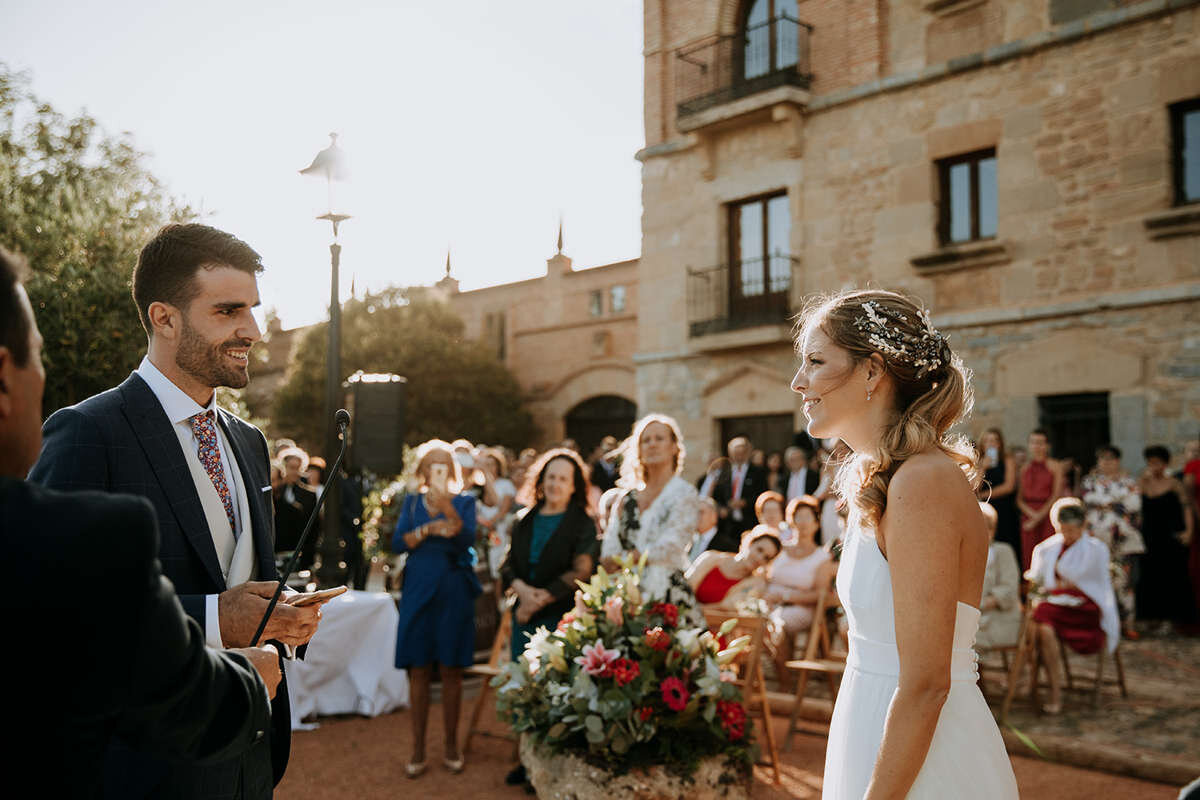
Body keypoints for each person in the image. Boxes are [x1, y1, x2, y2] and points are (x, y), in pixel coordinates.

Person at [29, 224, 325, 799]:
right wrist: (217, 620)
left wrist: (278, 615)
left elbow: (237, 578)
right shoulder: (89, 433)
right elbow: (52, 619)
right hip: (144, 770)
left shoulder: (248, 441)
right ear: (164, 318)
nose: (253, 330)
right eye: (228, 311)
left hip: (251, 757)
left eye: (254, 310)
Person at [793, 289, 1017, 799]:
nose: (797, 381)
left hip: (926, 760)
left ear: (872, 372)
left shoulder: (923, 482)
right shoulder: (885, 478)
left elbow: (927, 683)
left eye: (815, 361)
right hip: (872, 724)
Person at [498, 448, 598, 787]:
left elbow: (581, 570)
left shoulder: (581, 523)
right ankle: (526, 762)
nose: (555, 484)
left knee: (554, 691)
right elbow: (507, 565)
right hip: (523, 615)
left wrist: (541, 598)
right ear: (541, 481)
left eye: (563, 479)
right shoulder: (523, 519)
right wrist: (524, 593)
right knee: (524, 688)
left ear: (574, 486)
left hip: (561, 616)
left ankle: (550, 767)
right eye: (550, 476)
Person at [391, 440, 480, 778]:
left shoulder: (465, 501)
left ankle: (452, 745)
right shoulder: (412, 503)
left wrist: (448, 510)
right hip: (418, 588)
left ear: (452, 470)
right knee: (418, 668)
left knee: (451, 668)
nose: (438, 469)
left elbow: (466, 538)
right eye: (433, 464)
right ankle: (417, 748)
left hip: (453, 590)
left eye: (444, 464)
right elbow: (399, 542)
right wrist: (429, 528)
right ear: (423, 469)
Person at [1027, 498, 1120, 714]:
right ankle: (1054, 691)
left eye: (1071, 530)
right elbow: (1041, 582)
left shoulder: (1096, 549)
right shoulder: (1048, 548)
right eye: (1063, 530)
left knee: (1038, 614)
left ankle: (1029, 675)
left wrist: (1067, 585)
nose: (1067, 535)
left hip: (1084, 609)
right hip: (1055, 607)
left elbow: (1096, 585)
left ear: (1082, 526)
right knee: (1043, 627)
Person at [600, 414, 700, 609]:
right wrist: (624, 560)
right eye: (646, 440)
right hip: (623, 597)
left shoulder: (684, 493)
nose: (652, 444)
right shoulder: (625, 498)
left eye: (659, 438)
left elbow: (671, 547)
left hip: (667, 598)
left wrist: (627, 558)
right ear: (638, 450)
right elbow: (608, 551)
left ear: (674, 447)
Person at [765, 495, 836, 683]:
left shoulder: (821, 558)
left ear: (816, 523)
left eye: (807, 517)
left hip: (803, 609)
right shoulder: (779, 550)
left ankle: (784, 681)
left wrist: (787, 595)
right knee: (755, 618)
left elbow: (820, 594)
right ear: (791, 520)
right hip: (770, 603)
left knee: (778, 623)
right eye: (798, 516)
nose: (803, 522)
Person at [1081, 445, 1144, 639]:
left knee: (1124, 583)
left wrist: (1103, 501)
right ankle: (1100, 625)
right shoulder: (1090, 481)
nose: (1106, 463)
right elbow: (1087, 498)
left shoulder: (1128, 482)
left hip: (1123, 542)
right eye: (1102, 459)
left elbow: (1134, 504)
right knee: (1096, 580)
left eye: (1110, 459)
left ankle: (1127, 624)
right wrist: (1116, 500)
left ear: (1117, 461)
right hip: (1097, 541)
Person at [1138, 445, 1196, 631]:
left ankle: (1174, 619)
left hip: (1170, 536)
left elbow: (1186, 507)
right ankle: (1153, 617)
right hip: (1149, 536)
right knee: (1150, 577)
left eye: (1158, 463)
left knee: (1173, 576)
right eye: (1151, 463)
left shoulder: (1174, 483)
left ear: (1165, 464)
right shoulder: (1143, 483)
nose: (1154, 467)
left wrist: (1188, 531)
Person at [686, 527, 783, 609]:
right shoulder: (710, 557)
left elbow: (724, 610)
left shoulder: (756, 585)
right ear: (750, 543)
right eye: (759, 550)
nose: (759, 558)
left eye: (766, 558)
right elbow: (685, 588)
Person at [975, 504, 1022, 650]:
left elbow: (1008, 590)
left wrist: (976, 606)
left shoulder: (1003, 551)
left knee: (956, 639)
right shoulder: (965, 553)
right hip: (973, 618)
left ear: (992, 530)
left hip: (998, 619)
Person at [1017, 429, 1064, 570]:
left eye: (1040, 443)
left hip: (1048, 514)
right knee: (1028, 555)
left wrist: (1037, 518)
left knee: (1050, 552)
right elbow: (1019, 499)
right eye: (1033, 443)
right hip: (1028, 515)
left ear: (1047, 446)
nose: (1036, 446)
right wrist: (1032, 516)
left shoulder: (1055, 466)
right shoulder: (1023, 468)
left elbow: (1056, 495)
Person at [712, 436, 769, 542]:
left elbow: (763, 495)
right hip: (729, 524)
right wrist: (721, 508)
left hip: (750, 521)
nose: (738, 456)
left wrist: (745, 502)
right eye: (735, 453)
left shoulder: (758, 472)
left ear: (748, 453)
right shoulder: (724, 473)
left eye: (741, 453)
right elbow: (716, 496)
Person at [976, 428, 1020, 559]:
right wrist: (983, 467)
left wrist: (983, 496)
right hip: (985, 510)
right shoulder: (978, 462)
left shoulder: (1007, 460)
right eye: (987, 441)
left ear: (1000, 443)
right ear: (982, 444)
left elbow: (1009, 486)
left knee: (1008, 543)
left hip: (1004, 507)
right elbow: (974, 488)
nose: (991, 444)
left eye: (994, 440)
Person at [273, 446, 318, 573]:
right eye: (291, 467)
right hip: (277, 550)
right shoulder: (275, 492)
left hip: (298, 551)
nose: (294, 472)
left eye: (297, 468)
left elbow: (313, 528)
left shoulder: (309, 494)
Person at [476, 447, 517, 577]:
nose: (488, 467)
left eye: (491, 464)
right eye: (486, 464)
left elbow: (503, 509)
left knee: (497, 563)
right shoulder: (478, 485)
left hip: (498, 528)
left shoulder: (506, 484)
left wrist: (490, 523)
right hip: (481, 529)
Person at [689, 496, 738, 562]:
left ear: (713, 517)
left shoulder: (727, 547)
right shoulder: (690, 541)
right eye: (694, 513)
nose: (696, 516)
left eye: (701, 512)